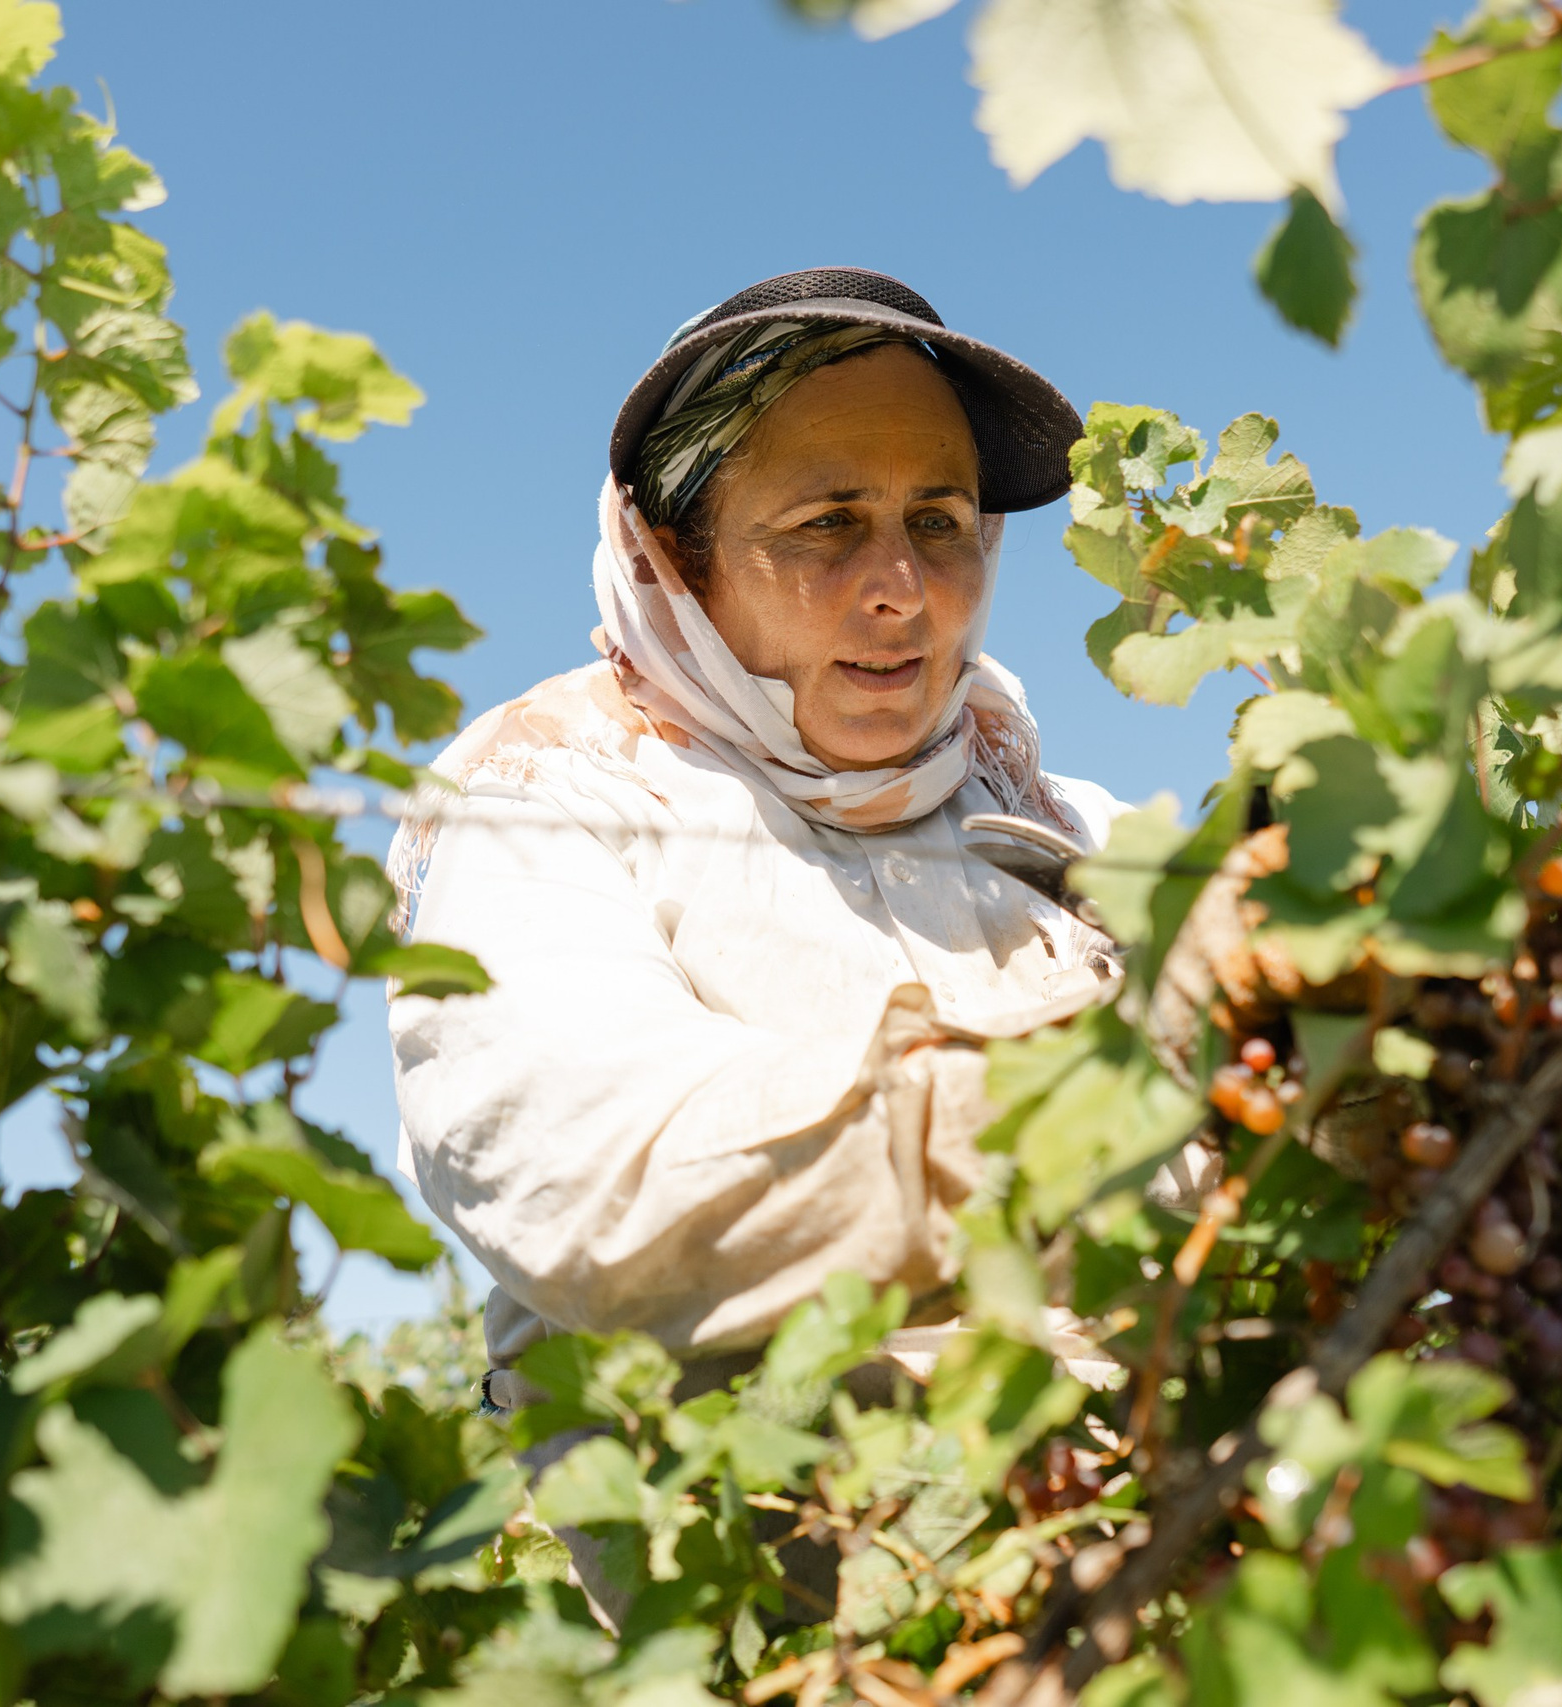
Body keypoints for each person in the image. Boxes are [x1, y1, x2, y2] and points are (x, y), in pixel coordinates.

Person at [387, 269, 1125, 1415]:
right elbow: (600, 1187)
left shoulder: (1071, 833)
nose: (901, 589)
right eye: (828, 524)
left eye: (937, 523)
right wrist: (1094, 1080)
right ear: (675, 558)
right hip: (759, 1559)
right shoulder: (545, 797)